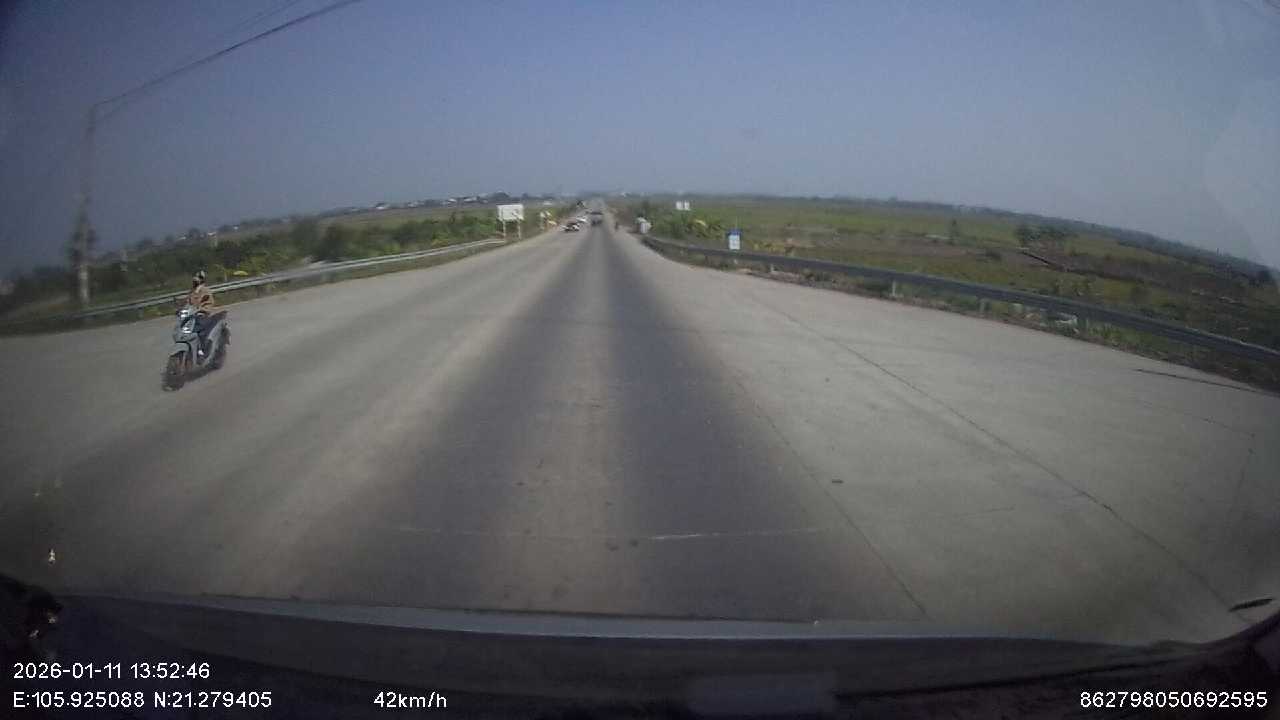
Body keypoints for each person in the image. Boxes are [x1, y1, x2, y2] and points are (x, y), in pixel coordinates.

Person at [187, 270, 224, 360]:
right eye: (195, 279)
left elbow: (207, 303)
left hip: (204, 314)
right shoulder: (192, 292)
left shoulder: (205, 290)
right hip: (193, 316)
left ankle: (202, 351)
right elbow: (188, 303)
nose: (195, 280)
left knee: (200, 332)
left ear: (202, 280)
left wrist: (201, 310)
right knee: (186, 331)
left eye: (198, 278)